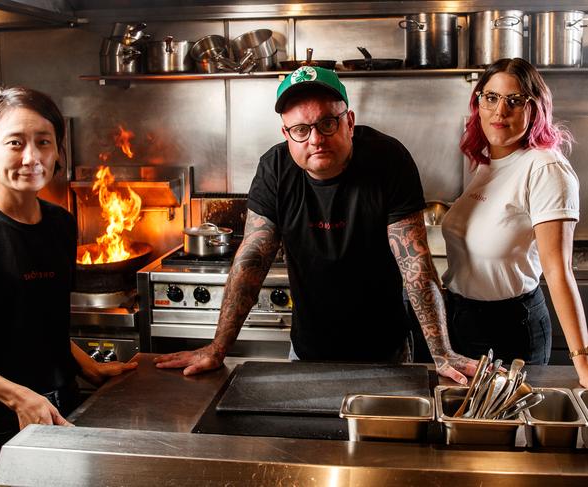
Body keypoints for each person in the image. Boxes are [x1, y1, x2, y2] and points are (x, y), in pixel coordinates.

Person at [154, 66, 475, 383]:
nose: (316, 138)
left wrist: (443, 352)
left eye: (327, 123)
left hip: (385, 351)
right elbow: (252, 258)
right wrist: (217, 348)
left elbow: (415, 263)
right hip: (308, 350)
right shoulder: (275, 169)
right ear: (286, 134)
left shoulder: (387, 160)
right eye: (301, 130)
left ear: (349, 121)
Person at [0, 86, 138, 487]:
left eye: (43, 142)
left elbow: (38, 319)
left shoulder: (60, 224)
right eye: (15, 143)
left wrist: (88, 366)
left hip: (63, 403)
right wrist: (18, 396)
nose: (32, 157)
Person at [442, 58, 588, 387]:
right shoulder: (484, 160)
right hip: (461, 322)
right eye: (490, 97)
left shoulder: (545, 168)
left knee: (507, 436)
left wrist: (584, 361)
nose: (500, 111)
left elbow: (558, 270)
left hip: (509, 332)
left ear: (534, 108)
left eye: (515, 100)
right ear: (478, 102)